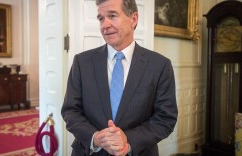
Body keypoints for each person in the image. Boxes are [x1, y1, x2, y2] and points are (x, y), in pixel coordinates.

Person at [61, 0, 178, 155]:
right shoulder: (82, 62)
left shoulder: (160, 65)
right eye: (101, 18)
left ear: (133, 19)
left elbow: (165, 118)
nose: (105, 25)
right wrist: (95, 137)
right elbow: (70, 111)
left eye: (112, 15)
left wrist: (128, 141)